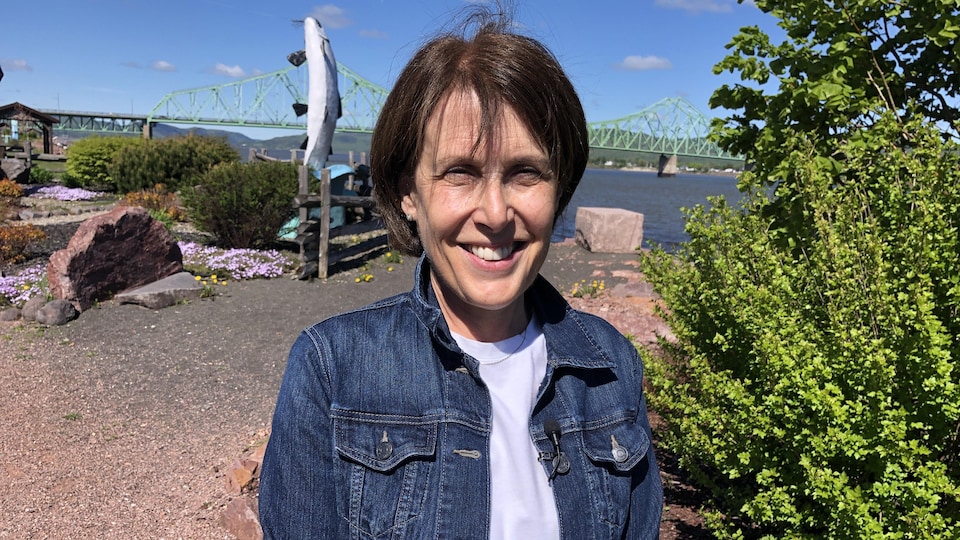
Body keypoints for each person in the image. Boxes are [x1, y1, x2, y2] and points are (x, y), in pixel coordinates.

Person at [259, 8, 663, 539]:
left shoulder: (611, 368)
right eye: (459, 173)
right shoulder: (332, 370)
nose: (495, 214)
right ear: (409, 192)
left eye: (525, 173)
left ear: (558, 187)